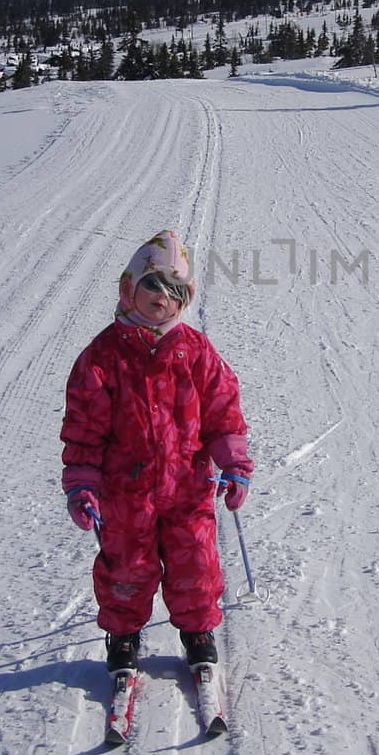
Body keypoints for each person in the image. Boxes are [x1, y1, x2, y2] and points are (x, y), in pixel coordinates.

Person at [60, 229, 251, 674]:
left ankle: (197, 631)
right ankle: (123, 636)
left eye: (175, 291)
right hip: (124, 490)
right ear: (129, 287)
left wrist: (235, 464)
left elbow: (223, 410)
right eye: (152, 285)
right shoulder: (103, 356)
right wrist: (82, 484)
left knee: (196, 564)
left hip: (187, 484)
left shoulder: (196, 351)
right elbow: (83, 428)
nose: (162, 299)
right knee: (126, 566)